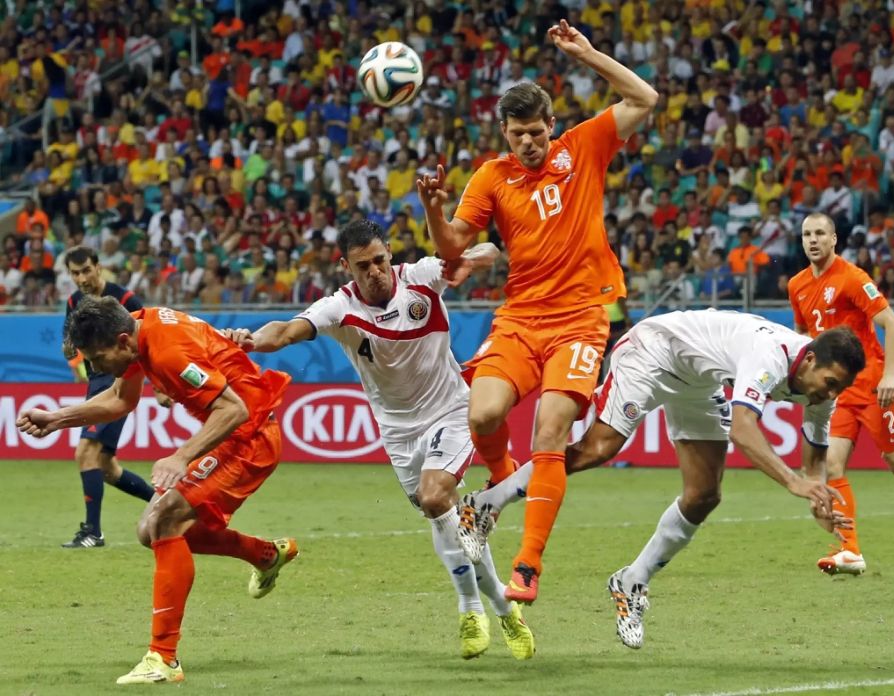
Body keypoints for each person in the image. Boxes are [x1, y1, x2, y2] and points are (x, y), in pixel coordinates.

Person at [416, 18, 658, 603]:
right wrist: (433, 209)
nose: (527, 141)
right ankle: (499, 490)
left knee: (551, 432)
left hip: (580, 320)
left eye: (535, 131)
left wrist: (589, 53)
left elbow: (645, 98)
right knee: (483, 415)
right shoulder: (491, 178)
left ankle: (527, 565)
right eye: (517, 133)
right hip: (521, 319)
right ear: (504, 131)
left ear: (552, 126)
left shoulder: (583, 146)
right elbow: (451, 251)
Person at [457, 310, 865, 649]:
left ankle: (631, 581)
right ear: (809, 360)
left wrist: (817, 499)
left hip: (700, 380)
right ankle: (486, 503)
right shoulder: (769, 355)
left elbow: (814, 466)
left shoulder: (821, 392)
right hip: (655, 349)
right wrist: (794, 483)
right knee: (598, 447)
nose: (830, 396)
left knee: (704, 495)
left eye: (839, 389)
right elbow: (743, 429)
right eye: (830, 384)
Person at [223, 220, 535, 661]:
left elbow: (487, 249)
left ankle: (470, 609)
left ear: (390, 254)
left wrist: (470, 258)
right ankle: (505, 610)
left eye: (380, 261)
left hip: (450, 412)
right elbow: (287, 330)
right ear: (346, 266)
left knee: (435, 497)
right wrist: (251, 341)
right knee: (446, 517)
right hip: (399, 434)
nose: (375, 272)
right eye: (363, 266)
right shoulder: (339, 308)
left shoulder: (423, 277)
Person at [17, 298, 295, 684]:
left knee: (164, 522)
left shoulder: (167, 351)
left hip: (250, 437)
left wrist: (181, 456)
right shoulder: (135, 327)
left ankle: (163, 659)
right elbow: (121, 399)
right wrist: (57, 418)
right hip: (233, 434)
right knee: (151, 529)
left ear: (122, 342)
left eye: (97, 358)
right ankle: (264, 555)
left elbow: (234, 411)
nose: (94, 368)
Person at [788, 212, 894, 575]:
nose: (813, 240)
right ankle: (850, 549)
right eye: (807, 234)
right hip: (836, 393)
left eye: (820, 233)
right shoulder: (797, 285)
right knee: (832, 465)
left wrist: (890, 377)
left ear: (834, 239)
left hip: (871, 386)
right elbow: (803, 337)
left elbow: (891, 323)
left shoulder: (853, 278)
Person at [60, 246, 155, 547]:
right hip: (96, 382)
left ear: (99, 267)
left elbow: (148, 340)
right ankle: (166, 502)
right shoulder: (74, 301)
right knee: (106, 467)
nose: (81, 278)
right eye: (75, 273)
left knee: (85, 452)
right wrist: (72, 357)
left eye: (86, 270)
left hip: (117, 381)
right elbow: (71, 342)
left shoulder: (125, 300)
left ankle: (93, 532)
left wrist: (161, 386)